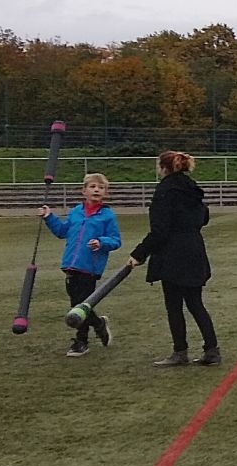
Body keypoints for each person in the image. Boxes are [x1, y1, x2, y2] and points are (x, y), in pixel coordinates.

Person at [125, 150, 220, 367]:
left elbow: (160, 231)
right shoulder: (192, 189)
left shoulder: (165, 192)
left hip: (173, 255)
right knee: (196, 303)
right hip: (194, 249)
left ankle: (180, 351)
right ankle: (212, 350)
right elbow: (203, 217)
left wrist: (139, 253)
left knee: (174, 305)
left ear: (164, 168)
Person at [37, 172, 122, 357]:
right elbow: (62, 231)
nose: (96, 190)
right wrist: (49, 217)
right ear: (84, 191)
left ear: (106, 193)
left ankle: (81, 341)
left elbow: (116, 240)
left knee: (80, 305)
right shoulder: (76, 211)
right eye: (92, 186)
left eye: (101, 187)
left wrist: (101, 242)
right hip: (71, 265)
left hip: (89, 267)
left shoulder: (107, 215)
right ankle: (99, 324)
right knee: (78, 305)